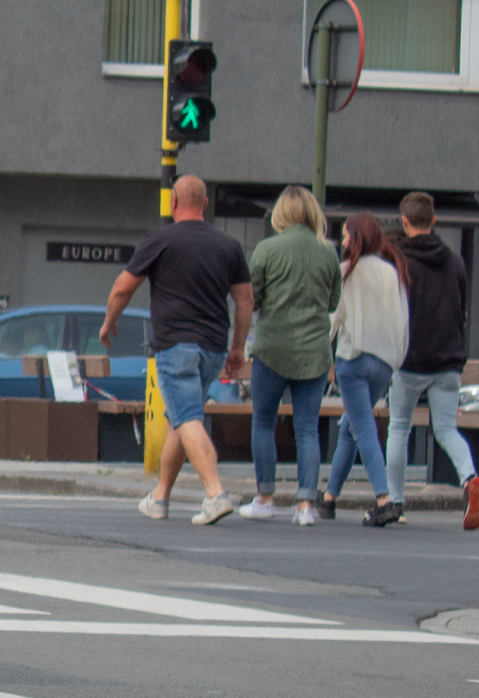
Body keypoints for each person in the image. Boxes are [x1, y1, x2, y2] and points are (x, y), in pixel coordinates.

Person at [102, 174, 254, 525]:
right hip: (214, 348)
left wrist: (109, 322)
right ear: (204, 204)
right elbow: (245, 299)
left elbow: (123, 287)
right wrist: (237, 348)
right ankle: (160, 497)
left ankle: (215, 493)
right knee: (179, 420)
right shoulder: (228, 246)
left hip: (174, 345)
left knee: (186, 418)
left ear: (173, 203)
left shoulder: (160, 240)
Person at [386, 193, 479, 531]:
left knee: (399, 429)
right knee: (446, 428)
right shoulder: (455, 261)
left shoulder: (399, 261)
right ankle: (469, 478)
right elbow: (460, 308)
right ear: (433, 222)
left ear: (404, 222)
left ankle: (395, 502)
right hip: (448, 359)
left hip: (409, 358)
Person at [239, 186, 339, 525]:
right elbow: (333, 303)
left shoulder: (267, 249)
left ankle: (265, 497)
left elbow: (254, 296)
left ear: (280, 213)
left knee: (263, 423)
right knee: (307, 429)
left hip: (272, 347)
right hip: (314, 350)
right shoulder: (328, 253)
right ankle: (305, 506)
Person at [321, 212, 409, 526]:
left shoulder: (346, 271)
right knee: (351, 427)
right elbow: (402, 321)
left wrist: (321, 353)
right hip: (384, 363)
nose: (343, 241)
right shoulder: (392, 272)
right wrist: (396, 359)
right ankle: (329, 498)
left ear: (356, 238)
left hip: (353, 361)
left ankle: (384, 499)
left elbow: (333, 320)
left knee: (362, 428)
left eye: (345, 235)